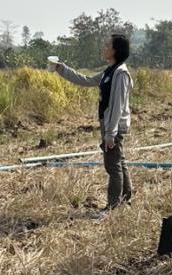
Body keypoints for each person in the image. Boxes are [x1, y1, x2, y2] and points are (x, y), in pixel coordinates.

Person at [51, 35, 133, 213]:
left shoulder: (120, 74)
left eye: (107, 45)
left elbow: (117, 105)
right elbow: (86, 80)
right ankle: (126, 197)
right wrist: (61, 69)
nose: (104, 48)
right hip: (109, 124)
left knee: (112, 165)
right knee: (119, 161)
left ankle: (113, 206)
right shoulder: (109, 71)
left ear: (115, 50)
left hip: (114, 126)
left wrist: (110, 133)